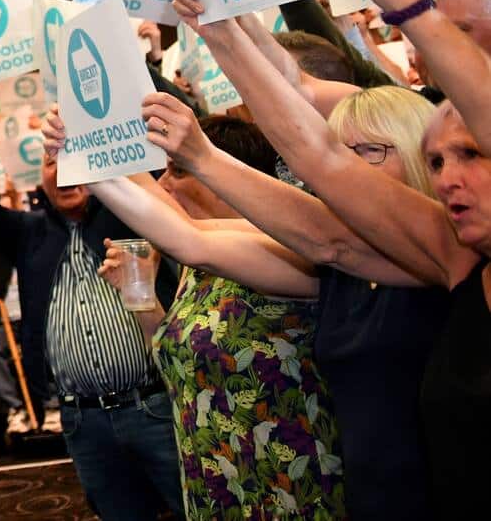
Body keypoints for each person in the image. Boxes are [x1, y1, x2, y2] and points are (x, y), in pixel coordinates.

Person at [172, 0, 491, 516]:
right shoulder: (446, 254)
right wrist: (218, 26)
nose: (448, 177)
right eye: (441, 159)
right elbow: (318, 155)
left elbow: (317, 143)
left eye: (472, 156)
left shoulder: (442, 252)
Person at [116, 83, 450, 519]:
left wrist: (197, 151)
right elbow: (188, 237)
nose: (346, 170)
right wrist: (93, 153)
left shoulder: (445, 255)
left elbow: (297, 82)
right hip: (364, 497)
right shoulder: (340, 271)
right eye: (341, 152)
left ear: (417, 156)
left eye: (368, 151)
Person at [41, 111, 349, 518]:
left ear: (231, 178)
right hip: (213, 479)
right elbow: (176, 359)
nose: (165, 185)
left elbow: (181, 226)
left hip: (281, 482)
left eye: (179, 172)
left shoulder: (285, 248)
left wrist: (91, 152)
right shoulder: (196, 265)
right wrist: (144, 297)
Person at [0, 77, 184, 518]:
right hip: (83, 422)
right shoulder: (29, 232)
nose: (61, 170)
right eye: (49, 162)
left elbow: (158, 163)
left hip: (153, 405)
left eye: (71, 158)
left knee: (193, 508)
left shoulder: (132, 211)